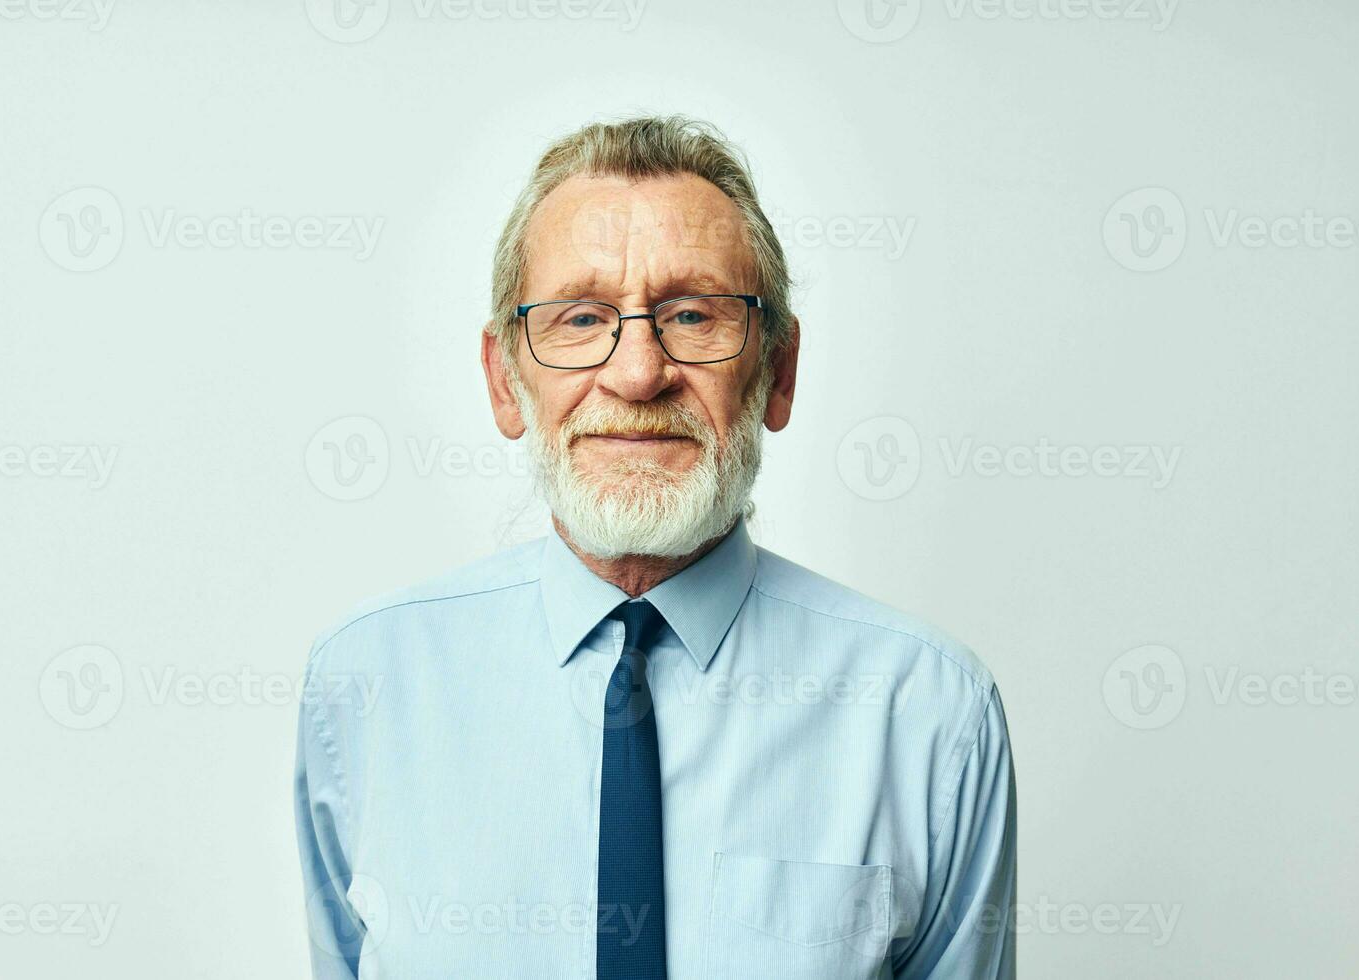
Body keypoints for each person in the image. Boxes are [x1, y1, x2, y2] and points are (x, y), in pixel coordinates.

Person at [295, 114, 1015, 979]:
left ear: (778, 372)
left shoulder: (931, 713)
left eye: (691, 314)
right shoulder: (366, 685)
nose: (638, 373)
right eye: (580, 317)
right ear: (504, 380)